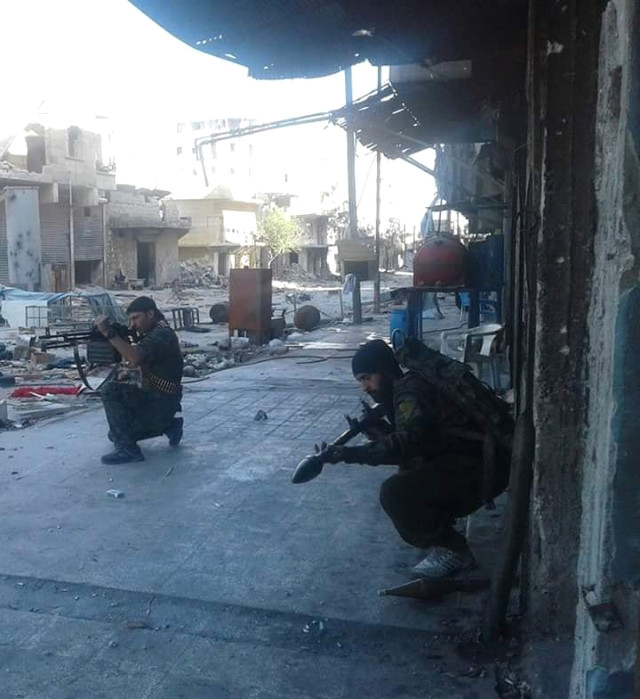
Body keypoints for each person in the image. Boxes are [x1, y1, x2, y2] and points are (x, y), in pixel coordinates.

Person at [325, 339, 510, 578]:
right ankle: (441, 525)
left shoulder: (409, 393)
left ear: (384, 371)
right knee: (410, 470)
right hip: (477, 461)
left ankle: (454, 550)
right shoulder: (407, 386)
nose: (365, 387)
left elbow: (408, 443)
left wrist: (352, 454)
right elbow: (421, 438)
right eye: (361, 381)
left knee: (394, 493)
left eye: (367, 378)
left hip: (480, 468)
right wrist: (381, 432)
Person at [95, 296, 184, 465]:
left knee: (110, 391)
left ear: (150, 314)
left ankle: (129, 451)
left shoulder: (162, 334)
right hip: (159, 398)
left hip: (161, 401)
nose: (132, 324)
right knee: (114, 435)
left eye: (136, 318)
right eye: (130, 320)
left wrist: (109, 333)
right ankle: (170, 425)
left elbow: (134, 358)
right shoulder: (155, 331)